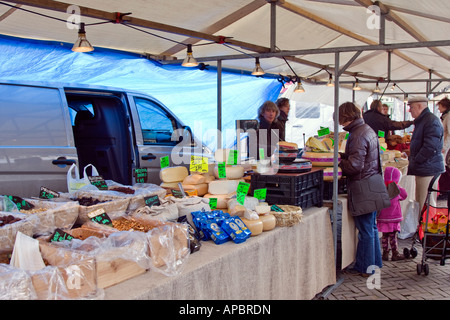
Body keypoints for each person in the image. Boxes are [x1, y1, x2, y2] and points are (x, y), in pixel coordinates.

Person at [338, 102, 386, 276]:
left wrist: (338, 161)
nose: (341, 123)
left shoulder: (357, 134)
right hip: (372, 182)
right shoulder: (366, 129)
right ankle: (374, 263)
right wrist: (342, 155)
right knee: (371, 227)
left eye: (341, 119)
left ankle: (365, 267)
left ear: (347, 117)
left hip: (362, 185)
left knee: (365, 229)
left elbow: (355, 166)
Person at [407, 96, 445, 211]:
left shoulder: (430, 121)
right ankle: (423, 226)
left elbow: (430, 147)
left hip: (427, 168)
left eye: (411, 107)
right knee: (422, 200)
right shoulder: (424, 120)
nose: (409, 110)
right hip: (425, 167)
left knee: (426, 201)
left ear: (419, 106)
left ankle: (426, 226)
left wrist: (417, 160)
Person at [377, 166, 408, 261]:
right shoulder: (397, 188)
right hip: (394, 217)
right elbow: (404, 195)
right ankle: (395, 253)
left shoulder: (381, 188)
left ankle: (385, 253)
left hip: (383, 217)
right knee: (393, 236)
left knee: (384, 236)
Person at [437, 97, 450, 197]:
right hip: (445, 147)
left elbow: (449, 134)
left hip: (447, 149)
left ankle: (445, 191)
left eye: (440, 106)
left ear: (444, 106)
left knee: (446, 170)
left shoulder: (448, 117)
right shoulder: (445, 116)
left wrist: (444, 146)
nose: (438, 108)